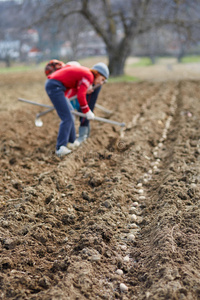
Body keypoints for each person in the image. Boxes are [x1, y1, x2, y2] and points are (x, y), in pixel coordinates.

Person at [45, 62, 109, 157]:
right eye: (102, 79)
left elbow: (76, 88)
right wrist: (87, 111)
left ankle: (71, 142)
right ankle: (60, 147)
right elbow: (80, 95)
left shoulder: (87, 75)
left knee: (71, 114)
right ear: (97, 73)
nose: (100, 83)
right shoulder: (89, 75)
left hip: (57, 87)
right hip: (55, 87)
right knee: (67, 118)